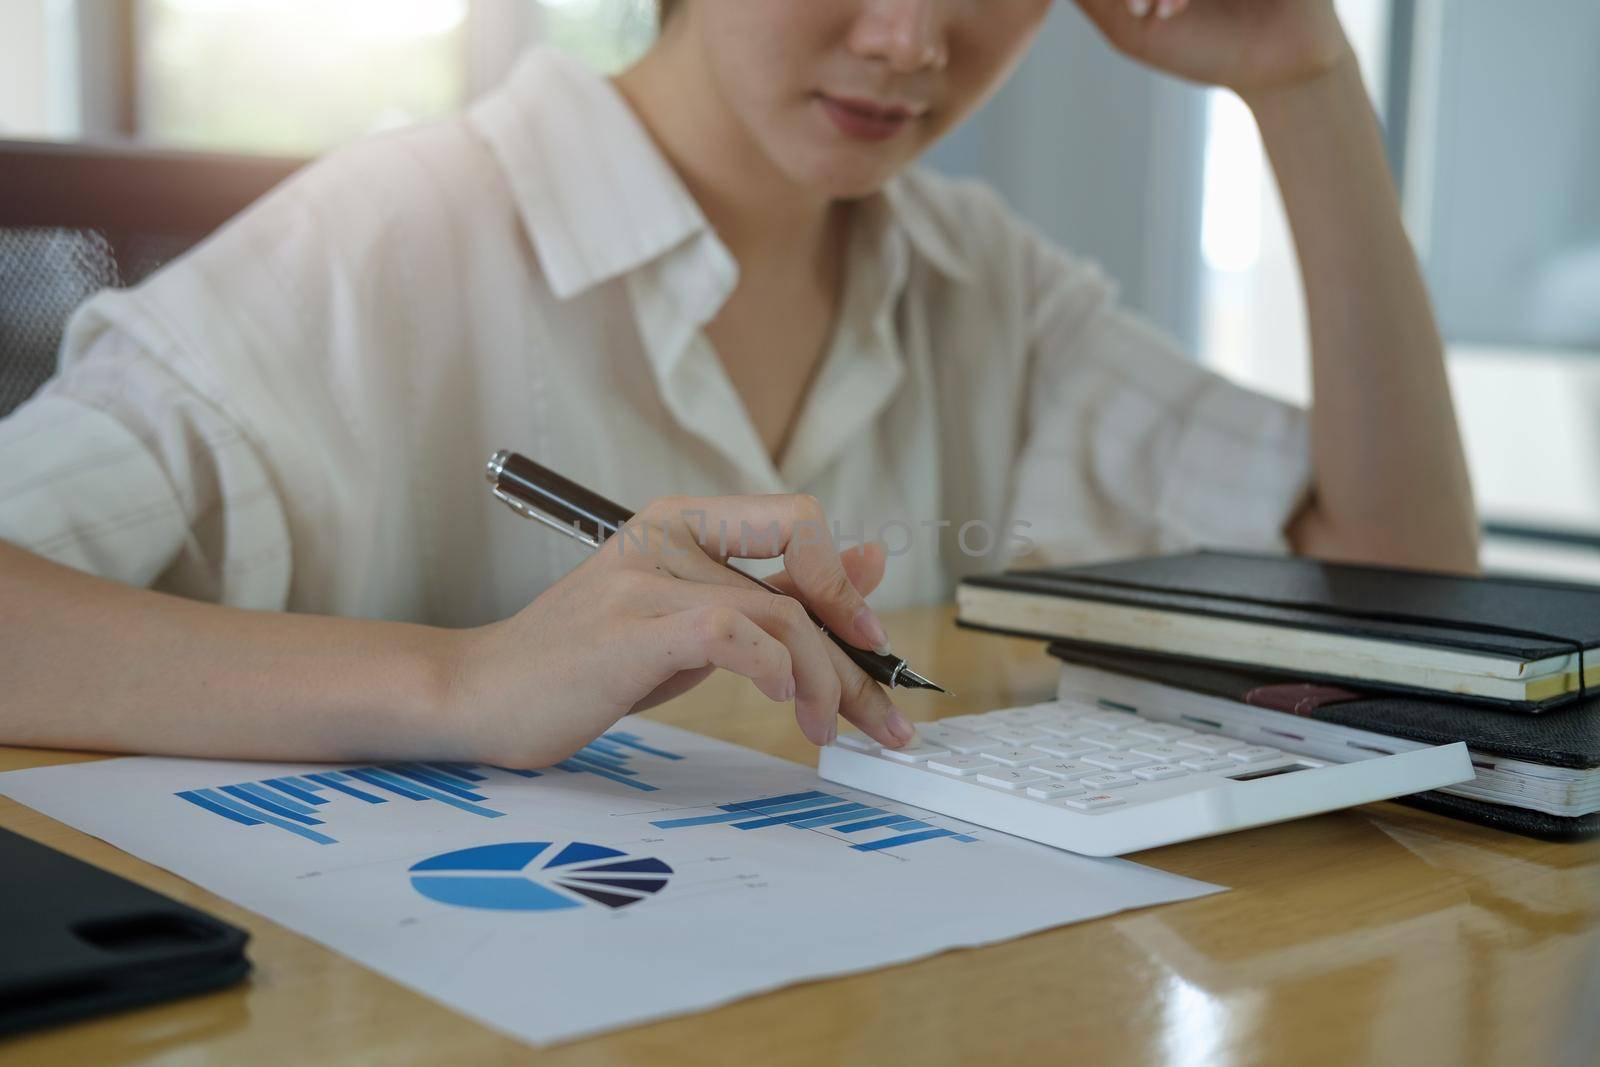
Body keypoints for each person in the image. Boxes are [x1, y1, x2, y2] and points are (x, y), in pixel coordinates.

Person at [0, 0, 1477, 767]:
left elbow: (1407, 588)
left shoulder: (987, 284)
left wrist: (1304, 77)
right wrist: (461, 681)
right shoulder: (380, 237)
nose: (911, 39)